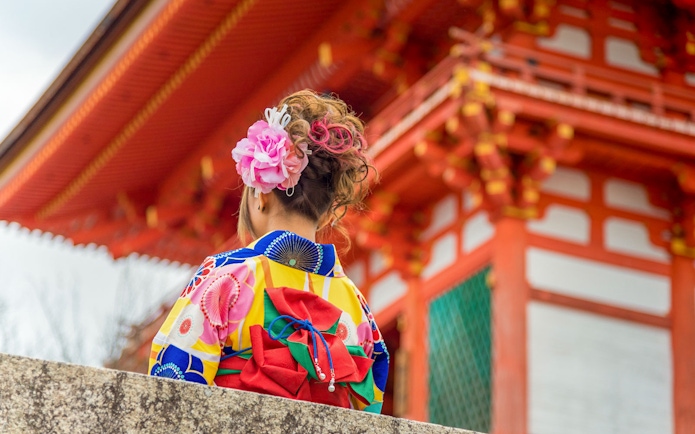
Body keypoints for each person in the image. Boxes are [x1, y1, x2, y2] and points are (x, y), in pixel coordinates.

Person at [149, 90, 389, 413]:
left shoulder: (226, 281)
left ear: (260, 197)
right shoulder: (356, 307)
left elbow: (170, 387)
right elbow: (369, 405)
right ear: (330, 212)